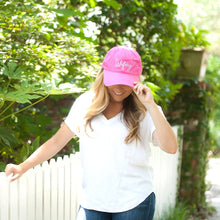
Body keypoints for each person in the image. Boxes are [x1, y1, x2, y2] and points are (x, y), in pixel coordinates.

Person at [5, 46, 178, 220]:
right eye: (115, 79)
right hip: (93, 203)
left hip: (134, 202)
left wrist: (151, 105)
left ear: (136, 80)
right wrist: (23, 166)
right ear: (103, 75)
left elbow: (170, 147)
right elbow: (57, 142)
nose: (119, 87)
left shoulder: (145, 110)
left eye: (126, 81)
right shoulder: (86, 103)